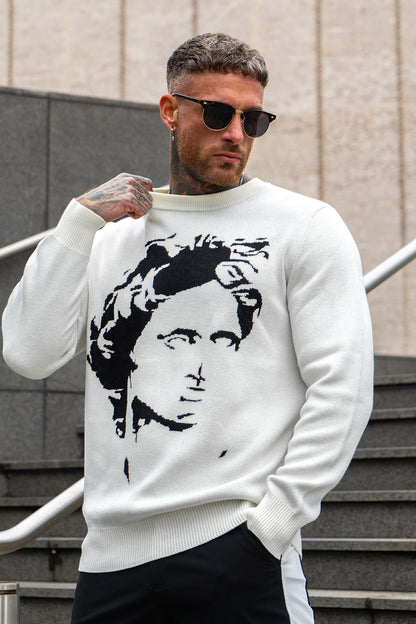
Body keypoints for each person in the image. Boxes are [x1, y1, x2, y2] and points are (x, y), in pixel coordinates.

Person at [2, 32, 373, 623]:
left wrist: (272, 526)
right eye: (219, 113)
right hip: (109, 561)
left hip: (241, 549)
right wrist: (77, 225)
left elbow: (343, 387)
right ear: (170, 111)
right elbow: (28, 353)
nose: (236, 134)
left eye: (253, 120)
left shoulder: (305, 227)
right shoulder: (111, 237)